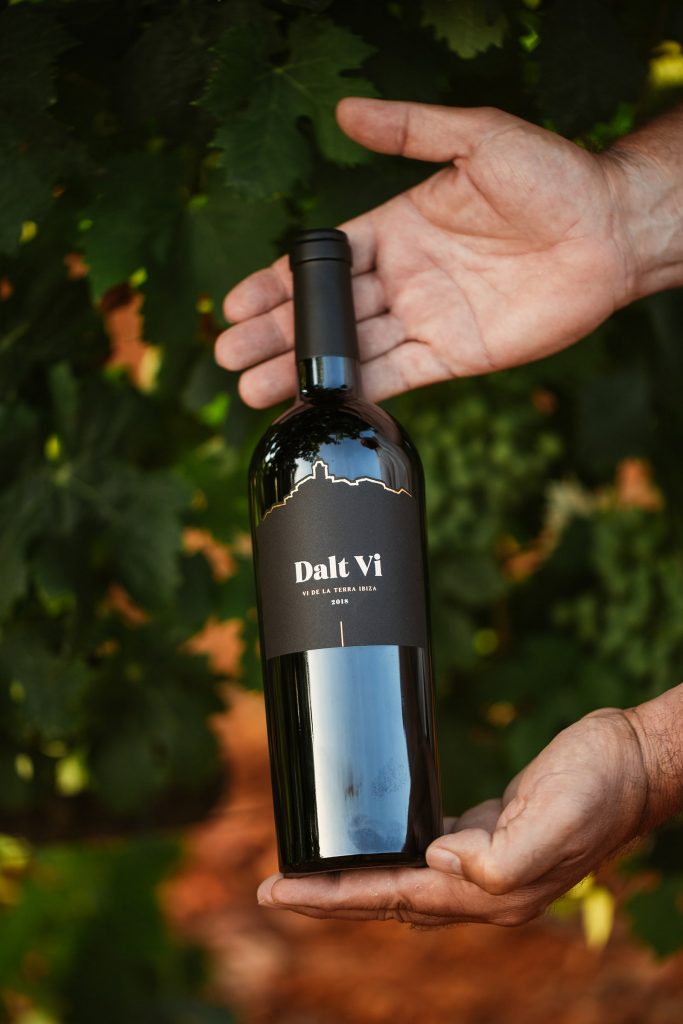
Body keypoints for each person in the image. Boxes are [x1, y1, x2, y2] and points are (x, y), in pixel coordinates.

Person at [215, 98, 683, 927]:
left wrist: (651, 764)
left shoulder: (373, 438)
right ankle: (327, 821)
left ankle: (389, 811)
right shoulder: (290, 447)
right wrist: (620, 209)